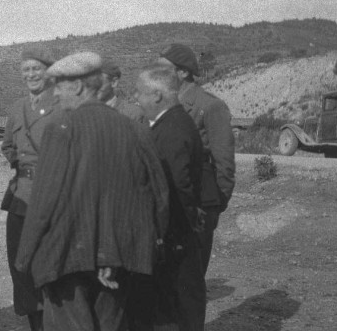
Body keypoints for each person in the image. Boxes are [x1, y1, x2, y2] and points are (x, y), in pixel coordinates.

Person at [14, 52, 169, 331]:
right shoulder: (135, 130)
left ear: (77, 86)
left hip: (66, 259)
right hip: (118, 260)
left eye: (58, 86)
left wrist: (25, 257)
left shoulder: (61, 128)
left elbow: (43, 201)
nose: (55, 94)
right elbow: (158, 198)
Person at [135, 64, 206, 331]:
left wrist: (166, 238)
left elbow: (176, 189)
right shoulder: (172, 122)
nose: (136, 99)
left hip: (174, 239)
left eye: (140, 92)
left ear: (156, 95)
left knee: (174, 313)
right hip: (177, 237)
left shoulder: (172, 129)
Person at [159, 43, 235, 275]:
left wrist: (215, 205)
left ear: (183, 72)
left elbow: (225, 164)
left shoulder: (211, 106)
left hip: (200, 202)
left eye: (164, 69)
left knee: (191, 279)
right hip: (170, 203)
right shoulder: (161, 104)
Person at [0, 47, 62, 331]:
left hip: (53, 197)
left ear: (49, 72)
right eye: (25, 70)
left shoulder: (62, 105)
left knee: (51, 267)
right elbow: (8, 147)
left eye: (36, 69)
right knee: (21, 267)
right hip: (21, 198)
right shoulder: (15, 108)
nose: (30, 75)